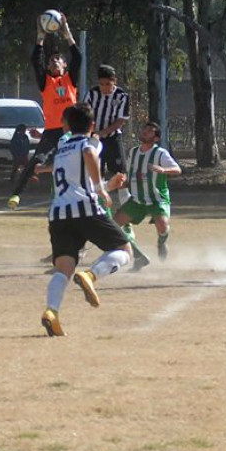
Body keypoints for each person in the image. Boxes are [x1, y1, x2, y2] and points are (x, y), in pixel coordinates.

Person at [38, 103, 132, 337]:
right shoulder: (90, 143)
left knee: (63, 269)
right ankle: (91, 275)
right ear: (91, 126)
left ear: (66, 125)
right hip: (85, 209)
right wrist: (102, 188)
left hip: (59, 214)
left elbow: (76, 180)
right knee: (124, 249)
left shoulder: (61, 147)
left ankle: (52, 313)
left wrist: (106, 187)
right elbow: (89, 156)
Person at [7, 11, 82, 210]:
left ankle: (87, 195)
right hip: (52, 131)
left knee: (79, 162)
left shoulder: (69, 80)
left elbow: (78, 57)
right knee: (36, 161)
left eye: (58, 59)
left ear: (64, 65)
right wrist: (40, 37)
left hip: (71, 131)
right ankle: (16, 194)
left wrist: (66, 32)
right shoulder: (46, 82)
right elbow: (35, 61)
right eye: (51, 60)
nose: (55, 61)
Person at [113, 121, 182, 270]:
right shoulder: (133, 152)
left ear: (156, 138)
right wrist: (124, 182)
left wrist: (163, 170)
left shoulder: (160, 153)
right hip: (137, 199)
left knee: (162, 226)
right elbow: (132, 173)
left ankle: (161, 242)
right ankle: (139, 257)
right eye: (144, 129)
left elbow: (177, 169)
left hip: (157, 198)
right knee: (113, 226)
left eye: (149, 131)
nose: (144, 132)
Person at [83, 64, 130, 199]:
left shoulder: (122, 96)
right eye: (102, 84)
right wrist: (91, 134)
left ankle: (126, 211)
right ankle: (100, 208)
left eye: (108, 84)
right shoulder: (92, 94)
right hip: (94, 139)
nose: (105, 88)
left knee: (121, 174)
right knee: (96, 173)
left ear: (115, 80)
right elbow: (85, 114)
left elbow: (120, 120)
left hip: (113, 138)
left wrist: (102, 132)